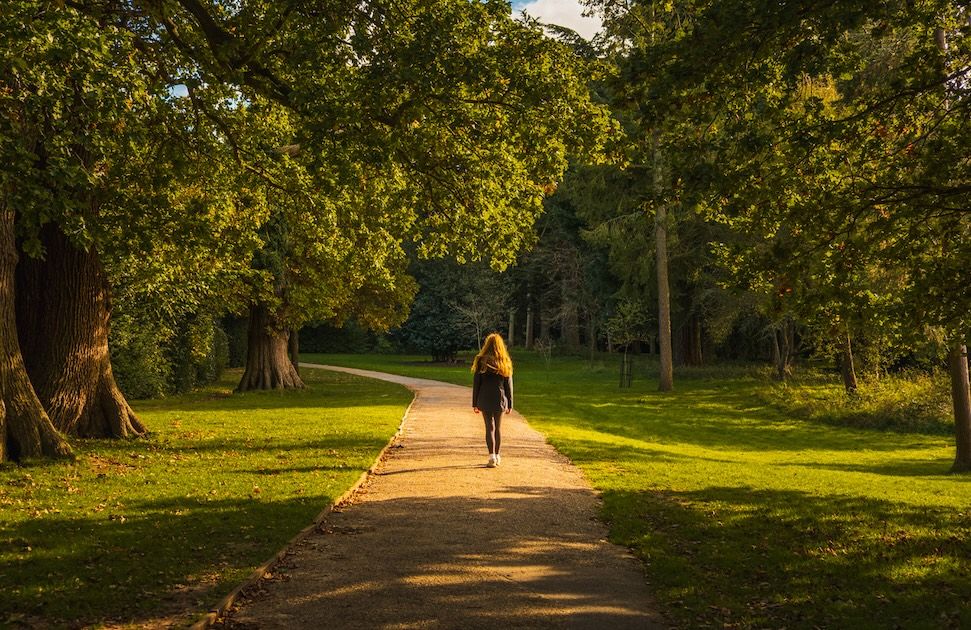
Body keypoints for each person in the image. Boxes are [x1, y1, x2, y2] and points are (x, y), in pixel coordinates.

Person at [471, 333, 514, 468]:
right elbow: (509, 385)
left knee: (489, 427)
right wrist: (510, 403)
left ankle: (491, 457)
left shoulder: (480, 360)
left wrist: (475, 403)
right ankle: (497, 454)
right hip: (499, 398)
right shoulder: (504, 360)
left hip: (484, 398)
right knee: (498, 428)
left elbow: (476, 383)